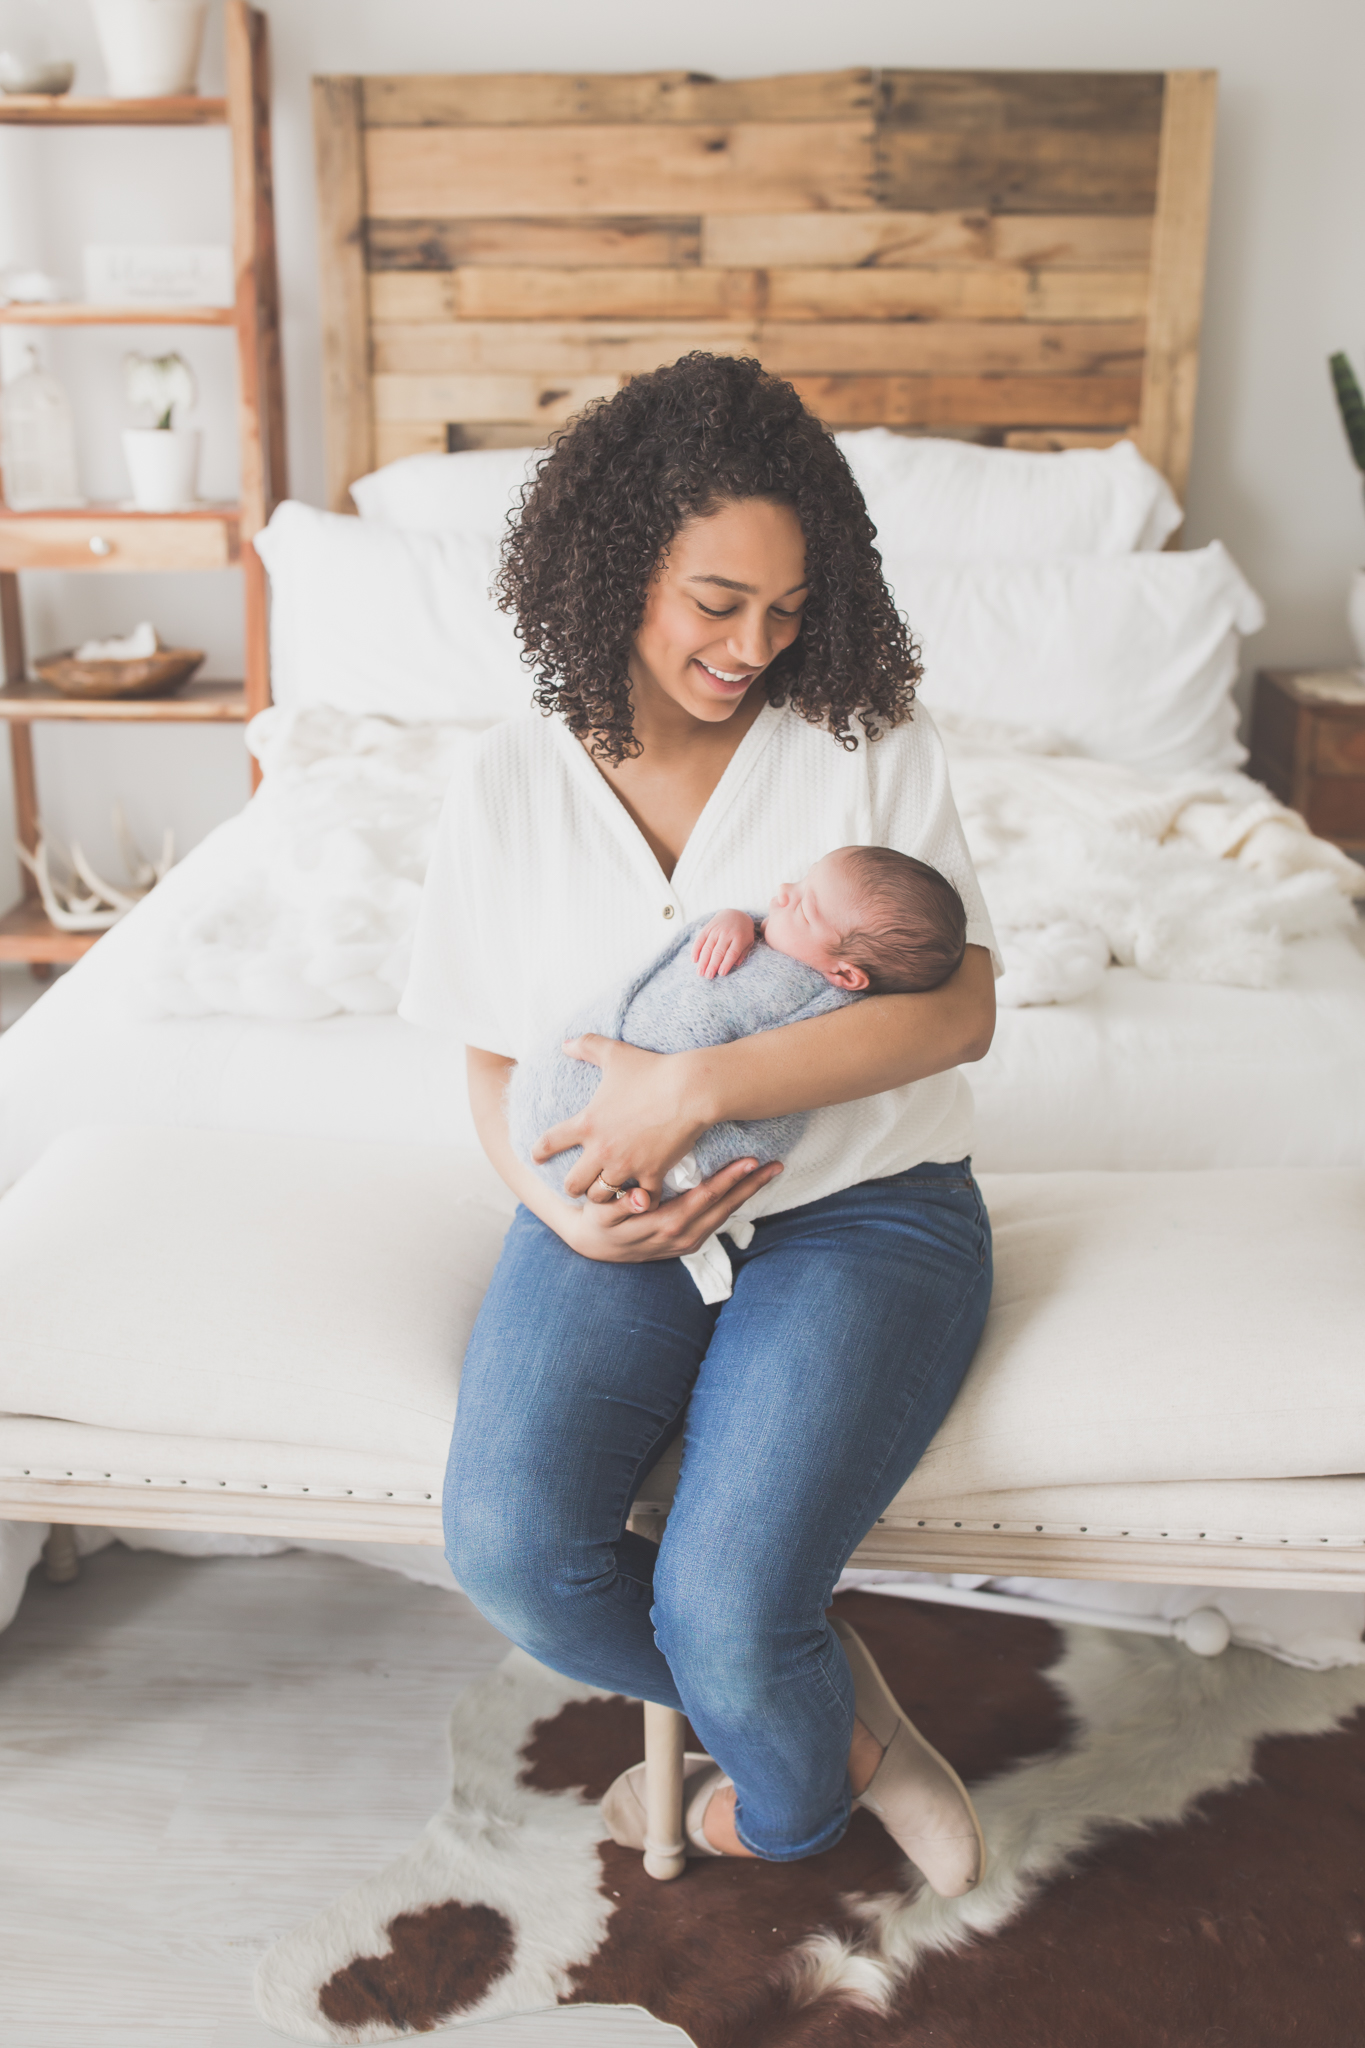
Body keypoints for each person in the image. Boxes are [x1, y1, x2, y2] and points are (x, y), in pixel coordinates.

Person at [400, 352, 1000, 1896]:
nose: (753, 647)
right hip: (606, 1210)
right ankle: (839, 1716)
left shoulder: (868, 742)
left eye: (789, 610)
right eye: (715, 601)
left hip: (864, 1211)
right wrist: (554, 1211)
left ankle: (785, 1797)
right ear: (617, 565)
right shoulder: (507, 781)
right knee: (517, 1556)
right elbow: (483, 1059)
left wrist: (700, 1085)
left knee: (731, 1610)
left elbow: (953, 1013)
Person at [505, 846, 968, 1305]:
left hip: (727, 1191)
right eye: (802, 881)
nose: (784, 892)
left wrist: (686, 1091)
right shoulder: (771, 933)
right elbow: (707, 951)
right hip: (575, 1171)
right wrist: (734, 919)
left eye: (804, 907)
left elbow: (779, 1093)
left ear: (845, 975)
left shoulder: (830, 1015)